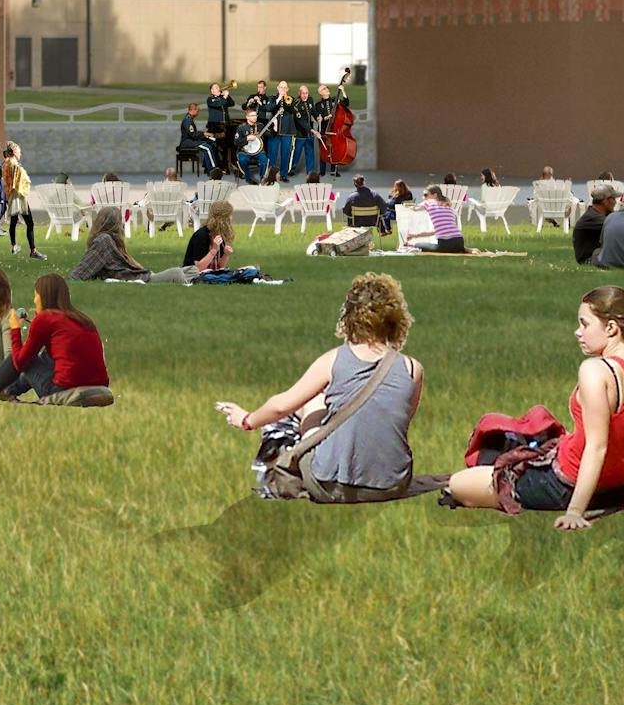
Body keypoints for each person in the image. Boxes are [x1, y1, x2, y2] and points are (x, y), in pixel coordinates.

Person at [445, 287, 624, 525]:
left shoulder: (596, 371)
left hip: (566, 484)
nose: (578, 332)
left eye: (584, 324)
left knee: (458, 483)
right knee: (509, 453)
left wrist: (575, 510)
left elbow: (598, 446)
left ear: (610, 328)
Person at [213, 272, 425, 502]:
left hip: (329, 485)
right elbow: (400, 421)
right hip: (393, 485)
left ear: (350, 317)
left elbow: (280, 405)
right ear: (396, 319)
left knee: (313, 401)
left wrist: (246, 420)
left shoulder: (333, 360)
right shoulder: (413, 368)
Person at [0, 273, 110, 401]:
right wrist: (39, 320)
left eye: (36, 295)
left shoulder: (45, 319)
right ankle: (7, 391)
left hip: (60, 389)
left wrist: (15, 329)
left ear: (43, 296)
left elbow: (20, 362)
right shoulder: (82, 319)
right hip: (99, 385)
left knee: (22, 358)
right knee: (45, 357)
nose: (34, 300)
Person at [72, 205, 194, 283]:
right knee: (176, 273)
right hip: (139, 279)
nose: (122, 225)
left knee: (192, 270)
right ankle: (189, 293)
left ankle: (191, 283)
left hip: (142, 275)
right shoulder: (103, 240)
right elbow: (79, 273)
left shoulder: (113, 240)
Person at [3, 142, 46, 260]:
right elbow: (20, 181)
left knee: (13, 221)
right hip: (18, 196)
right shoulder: (14, 164)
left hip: (11, 195)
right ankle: (33, 251)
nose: (20, 153)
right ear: (14, 152)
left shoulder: (6, 162)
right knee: (30, 223)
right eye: (19, 151)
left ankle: (14, 245)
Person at [405, 184, 466, 253]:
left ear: (435, 195)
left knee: (421, 245)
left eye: (425, 195)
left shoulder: (428, 202)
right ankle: (465, 249)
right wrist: (414, 236)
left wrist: (406, 204)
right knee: (447, 245)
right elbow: (435, 231)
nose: (423, 197)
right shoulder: (448, 206)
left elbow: (414, 208)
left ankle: (412, 245)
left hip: (445, 244)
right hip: (460, 242)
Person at [184, 198, 236, 274]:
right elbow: (198, 268)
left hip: (209, 275)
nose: (231, 218)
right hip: (190, 274)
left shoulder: (219, 234)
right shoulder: (201, 236)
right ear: (223, 219)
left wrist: (226, 254)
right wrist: (214, 250)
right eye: (230, 215)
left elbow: (220, 266)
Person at [572, 184, 616, 263]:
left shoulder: (596, 214)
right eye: (613, 199)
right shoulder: (592, 217)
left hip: (597, 255)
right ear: (605, 202)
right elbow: (619, 226)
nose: (615, 202)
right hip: (589, 260)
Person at [178, 103, 216, 174]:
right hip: (187, 142)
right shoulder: (187, 120)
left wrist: (204, 134)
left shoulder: (189, 119)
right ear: (191, 110)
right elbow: (193, 134)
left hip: (191, 141)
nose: (198, 113)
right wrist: (204, 134)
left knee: (209, 145)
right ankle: (213, 169)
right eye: (197, 111)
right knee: (207, 148)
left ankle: (207, 167)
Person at [234, 107, 268, 184]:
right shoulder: (241, 128)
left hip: (258, 151)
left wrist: (275, 126)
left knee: (264, 159)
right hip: (244, 151)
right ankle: (248, 177)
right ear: (247, 117)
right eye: (252, 115)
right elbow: (236, 143)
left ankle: (262, 179)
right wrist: (246, 138)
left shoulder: (260, 125)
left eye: (255, 115)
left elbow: (269, 135)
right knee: (242, 160)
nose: (255, 117)